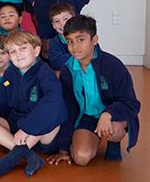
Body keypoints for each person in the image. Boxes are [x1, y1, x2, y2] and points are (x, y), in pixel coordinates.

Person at [49, 16, 140, 167]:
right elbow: (69, 107)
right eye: (70, 41)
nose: (74, 46)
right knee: (81, 157)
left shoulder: (113, 65)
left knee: (115, 129)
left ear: (94, 40)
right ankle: (94, 136)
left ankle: (114, 142)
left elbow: (131, 103)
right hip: (87, 117)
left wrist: (108, 114)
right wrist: (63, 149)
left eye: (80, 39)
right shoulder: (68, 70)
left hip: (112, 117)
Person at [0, 30, 68, 177]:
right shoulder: (10, 73)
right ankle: (29, 156)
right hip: (16, 128)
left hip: (40, 134)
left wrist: (26, 129)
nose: (18, 54)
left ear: (36, 51)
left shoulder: (44, 72)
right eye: (13, 51)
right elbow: (2, 103)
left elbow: (54, 102)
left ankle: (14, 157)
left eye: (23, 48)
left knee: (53, 109)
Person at [48, 2, 75, 71]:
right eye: (57, 21)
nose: (62, 24)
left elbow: (95, 54)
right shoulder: (54, 42)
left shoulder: (85, 36)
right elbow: (56, 62)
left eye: (65, 19)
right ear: (53, 25)